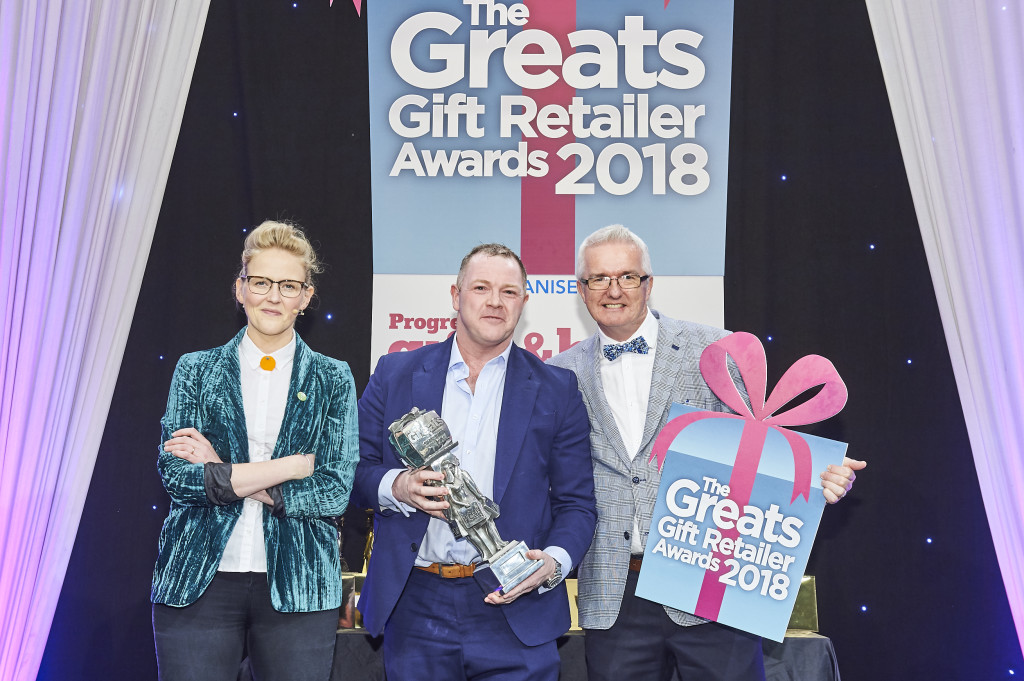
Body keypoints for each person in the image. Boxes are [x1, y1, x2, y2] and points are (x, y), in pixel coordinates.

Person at [547, 224, 868, 681]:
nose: (613, 290)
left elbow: (757, 445)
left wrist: (818, 476)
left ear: (649, 284)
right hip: (614, 592)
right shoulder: (560, 371)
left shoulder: (712, 350)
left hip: (709, 580)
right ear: (581, 290)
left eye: (627, 276)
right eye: (599, 278)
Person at [353, 243, 597, 681]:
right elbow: (353, 470)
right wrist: (398, 486)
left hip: (517, 605)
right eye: (481, 287)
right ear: (455, 295)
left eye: (509, 291)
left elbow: (577, 503)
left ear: (524, 302)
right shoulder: (395, 373)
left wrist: (555, 561)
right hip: (415, 603)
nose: (494, 301)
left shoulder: (557, 389)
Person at [151, 220, 359, 681]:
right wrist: (291, 467)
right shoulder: (195, 370)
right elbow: (178, 477)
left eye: (289, 286)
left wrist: (221, 471)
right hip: (197, 578)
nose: (273, 297)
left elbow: (332, 491)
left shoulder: (332, 377)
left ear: (306, 297)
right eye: (261, 282)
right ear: (240, 289)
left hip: (299, 584)